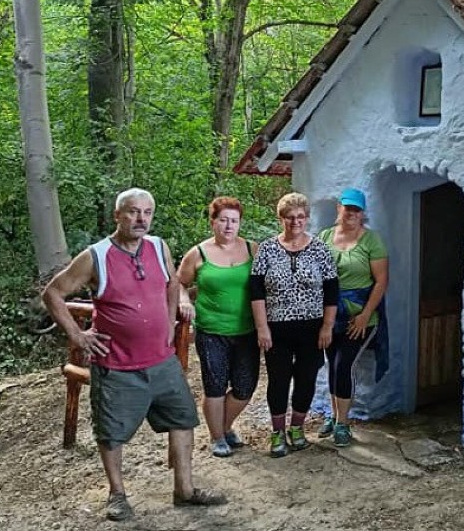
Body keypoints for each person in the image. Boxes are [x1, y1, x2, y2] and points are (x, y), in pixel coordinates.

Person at [42, 188, 226, 521]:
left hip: (162, 360)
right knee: (111, 432)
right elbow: (53, 292)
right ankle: (117, 495)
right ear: (117, 215)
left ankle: (184, 491)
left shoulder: (158, 247)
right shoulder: (95, 256)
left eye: (147, 212)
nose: (141, 219)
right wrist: (78, 336)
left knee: (183, 419)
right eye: (132, 212)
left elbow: (172, 283)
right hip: (117, 366)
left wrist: (171, 320)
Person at [249, 192, 338, 458]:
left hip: (312, 327)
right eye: (289, 217)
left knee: (306, 378)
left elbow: (332, 290)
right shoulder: (267, 249)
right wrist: (262, 327)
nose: (295, 222)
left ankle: (297, 427)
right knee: (278, 379)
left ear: (307, 218)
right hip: (277, 327)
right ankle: (277, 432)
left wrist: (327, 326)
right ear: (281, 219)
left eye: (300, 216)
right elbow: (256, 292)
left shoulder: (320, 248)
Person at [177, 196, 260, 458]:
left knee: (245, 386)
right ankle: (217, 438)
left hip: (247, 330)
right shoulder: (198, 253)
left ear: (240, 223)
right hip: (211, 331)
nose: (228, 226)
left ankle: (224, 426)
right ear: (213, 222)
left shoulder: (252, 249)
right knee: (214, 384)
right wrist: (183, 301)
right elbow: (178, 283)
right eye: (223, 220)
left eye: (233, 221)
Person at [318, 188, 388, 447]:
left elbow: (381, 281)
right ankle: (335, 415)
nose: (351, 213)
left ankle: (342, 423)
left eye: (356, 209)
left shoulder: (371, 241)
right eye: (347, 208)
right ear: (339, 208)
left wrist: (365, 315)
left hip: (359, 316)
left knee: (343, 365)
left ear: (362, 214)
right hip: (329, 314)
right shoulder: (324, 237)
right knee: (332, 363)